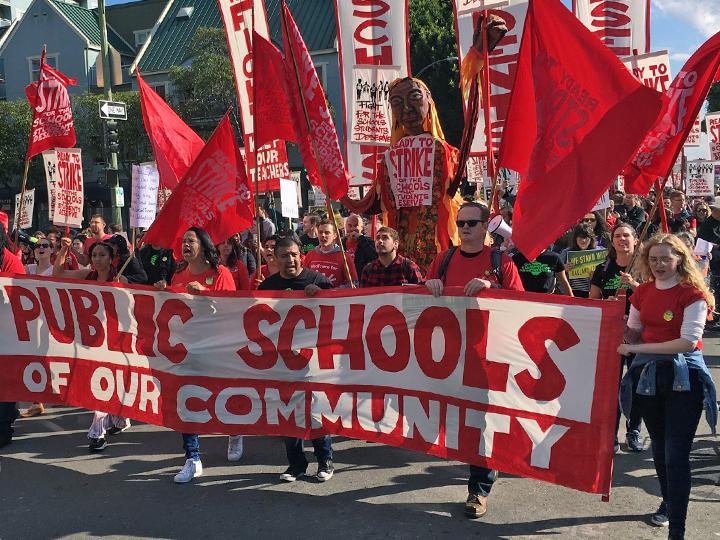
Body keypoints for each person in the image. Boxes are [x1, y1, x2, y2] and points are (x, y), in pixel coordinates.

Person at [424, 202, 524, 519]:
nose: (464, 227)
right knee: (457, 420)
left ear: (485, 228)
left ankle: (478, 490)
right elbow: (418, 299)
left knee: (481, 424)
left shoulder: (500, 261)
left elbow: (522, 304)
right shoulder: (444, 258)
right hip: (447, 355)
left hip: (486, 357)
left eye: (471, 222)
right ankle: (482, 467)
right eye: (461, 221)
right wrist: (429, 286)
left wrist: (492, 287)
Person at [617, 234, 716, 539]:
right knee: (660, 450)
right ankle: (669, 501)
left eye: (666, 259)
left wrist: (636, 350)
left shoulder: (693, 295)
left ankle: (678, 530)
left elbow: (687, 342)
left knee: (675, 454)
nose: (659, 264)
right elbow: (634, 332)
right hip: (649, 380)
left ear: (680, 260)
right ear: (646, 261)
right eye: (654, 259)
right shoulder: (642, 292)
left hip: (684, 381)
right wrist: (611, 321)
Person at [154, 227, 241, 483]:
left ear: (203, 245)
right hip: (186, 347)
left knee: (222, 393)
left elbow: (232, 309)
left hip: (217, 347)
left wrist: (204, 294)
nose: (185, 245)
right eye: (183, 241)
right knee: (187, 399)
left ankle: (235, 431)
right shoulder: (179, 272)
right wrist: (161, 292)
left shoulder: (220, 273)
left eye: (190, 240)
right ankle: (192, 458)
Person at [258, 236, 335, 482]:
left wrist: (323, 294)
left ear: (301, 254)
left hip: (313, 360)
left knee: (315, 411)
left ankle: (325, 460)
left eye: (293, 254)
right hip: (281, 360)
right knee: (288, 412)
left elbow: (344, 307)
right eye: (284, 255)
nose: (290, 259)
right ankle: (296, 465)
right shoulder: (267, 286)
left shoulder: (316, 280)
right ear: (276, 258)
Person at [53, 237, 132, 451]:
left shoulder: (120, 278)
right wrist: (64, 250)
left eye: (102, 255)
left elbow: (130, 312)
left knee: (106, 382)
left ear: (111, 258)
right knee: (100, 383)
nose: (97, 259)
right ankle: (118, 420)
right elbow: (58, 274)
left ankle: (97, 433)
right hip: (91, 340)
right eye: (94, 255)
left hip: (114, 341)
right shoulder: (87, 275)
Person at [590, 222, 644, 453]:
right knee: (611, 388)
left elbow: (657, 297)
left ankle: (634, 432)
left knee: (636, 386)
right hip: (612, 335)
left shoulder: (645, 267)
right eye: (618, 236)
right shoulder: (603, 268)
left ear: (635, 240)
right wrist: (607, 305)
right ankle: (610, 434)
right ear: (612, 241)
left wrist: (634, 285)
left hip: (640, 336)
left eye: (627, 236)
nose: (622, 240)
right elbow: (592, 301)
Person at [0, 223, 25, 448]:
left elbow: (22, 298)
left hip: (6, 330)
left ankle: (4, 425)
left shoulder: (11, 262)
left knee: (4, 382)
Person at [302, 219, 358, 287]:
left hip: (334, 296)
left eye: (327, 233)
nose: (323, 235)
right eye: (320, 232)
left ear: (334, 235)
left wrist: (334, 290)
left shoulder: (344, 257)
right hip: (314, 296)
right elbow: (303, 278)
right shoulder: (310, 255)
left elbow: (354, 284)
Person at [560, 224, 598, 298]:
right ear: (575, 238)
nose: (583, 240)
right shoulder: (566, 252)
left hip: (591, 293)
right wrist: (563, 268)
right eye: (580, 237)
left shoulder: (597, 253)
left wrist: (596, 276)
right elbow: (555, 272)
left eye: (586, 237)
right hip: (570, 292)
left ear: (591, 239)